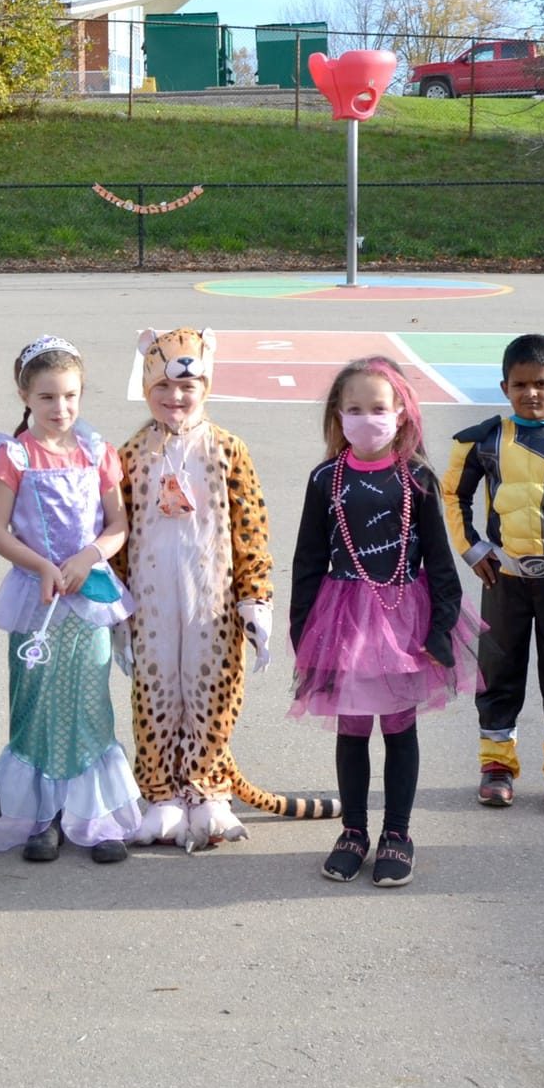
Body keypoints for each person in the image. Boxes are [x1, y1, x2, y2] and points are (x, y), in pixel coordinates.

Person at [112, 326, 339, 852]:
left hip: (214, 602)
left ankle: (210, 790)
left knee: (212, 695)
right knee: (154, 696)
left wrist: (256, 598)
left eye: (188, 388)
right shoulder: (129, 454)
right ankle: (162, 796)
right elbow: (117, 532)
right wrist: (117, 606)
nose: (175, 398)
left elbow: (252, 528)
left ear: (205, 388)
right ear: (147, 389)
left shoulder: (229, 449)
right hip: (150, 604)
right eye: (164, 389)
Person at [291, 357, 483, 886]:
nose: (366, 418)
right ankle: (353, 831)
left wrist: (441, 626)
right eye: (354, 409)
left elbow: (441, 562)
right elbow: (307, 560)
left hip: (404, 620)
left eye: (378, 408)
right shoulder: (324, 478)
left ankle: (397, 833)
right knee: (352, 729)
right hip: (342, 622)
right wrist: (302, 631)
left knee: (399, 728)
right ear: (338, 415)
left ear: (401, 413)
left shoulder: (416, 479)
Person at [0, 336, 141, 864]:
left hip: (87, 597)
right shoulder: (15, 454)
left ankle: (93, 815)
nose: (60, 408)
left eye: (70, 396)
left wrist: (88, 557)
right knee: (36, 701)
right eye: (47, 397)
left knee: (90, 702)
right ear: (25, 393)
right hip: (36, 597)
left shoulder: (97, 451)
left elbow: (118, 524)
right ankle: (40, 817)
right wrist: (44, 565)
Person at [443, 333, 544, 813]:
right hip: (505, 580)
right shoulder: (483, 439)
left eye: (541, 383)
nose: (531, 393)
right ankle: (496, 766)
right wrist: (471, 549)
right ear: (504, 386)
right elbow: (450, 495)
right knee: (498, 674)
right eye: (520, 384)